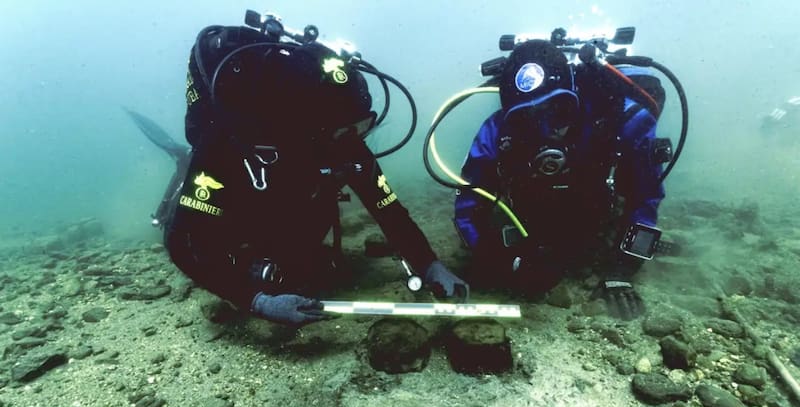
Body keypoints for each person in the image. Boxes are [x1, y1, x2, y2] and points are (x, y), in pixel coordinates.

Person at [155, 11, 468, 326]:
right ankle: (185, 169)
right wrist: (255, 301)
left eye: (362, 127)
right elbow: (184, 246)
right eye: (344, 131)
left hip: (288, 198)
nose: (354, 141)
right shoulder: (230, 140)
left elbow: (389, 210)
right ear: (310, 127)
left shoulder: (343, 140)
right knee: (222, 244)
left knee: (302, 263)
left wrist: (429, 265)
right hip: (241, 202)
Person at [452, 38, 668, 320]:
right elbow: (467, 209)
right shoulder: (497, 132)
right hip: (530, 219)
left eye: (559, 111)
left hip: (597, 213)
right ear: (510, 115)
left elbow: (646, 197)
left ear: (576, 96)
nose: (547, 131)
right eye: (527, 120)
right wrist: (505, 262)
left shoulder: (624, 119)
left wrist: (623, 269)